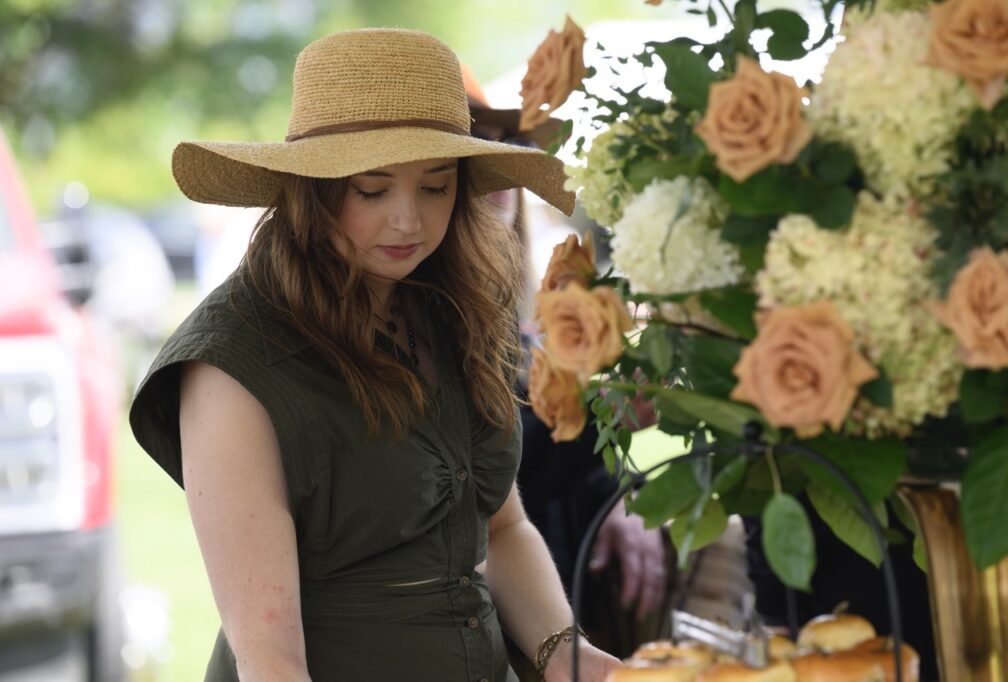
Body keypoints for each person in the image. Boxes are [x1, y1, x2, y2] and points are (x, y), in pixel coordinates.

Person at [129, 28, 621, 682]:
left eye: (436, 186)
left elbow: (502, 530)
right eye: (372, 189)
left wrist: (571, 659)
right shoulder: (231, 363)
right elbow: (271, 661)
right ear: (311, 187)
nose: (409, 221)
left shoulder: (457, 305)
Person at [459, 65, 668, 661]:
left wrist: (620, 497)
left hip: (557, 610)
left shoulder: (517, 307)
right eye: (473, 150)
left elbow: (559, 469)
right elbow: (492, 471)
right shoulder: (422, 310)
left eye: (508, 147)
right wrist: (603, 411)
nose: (499, 170)